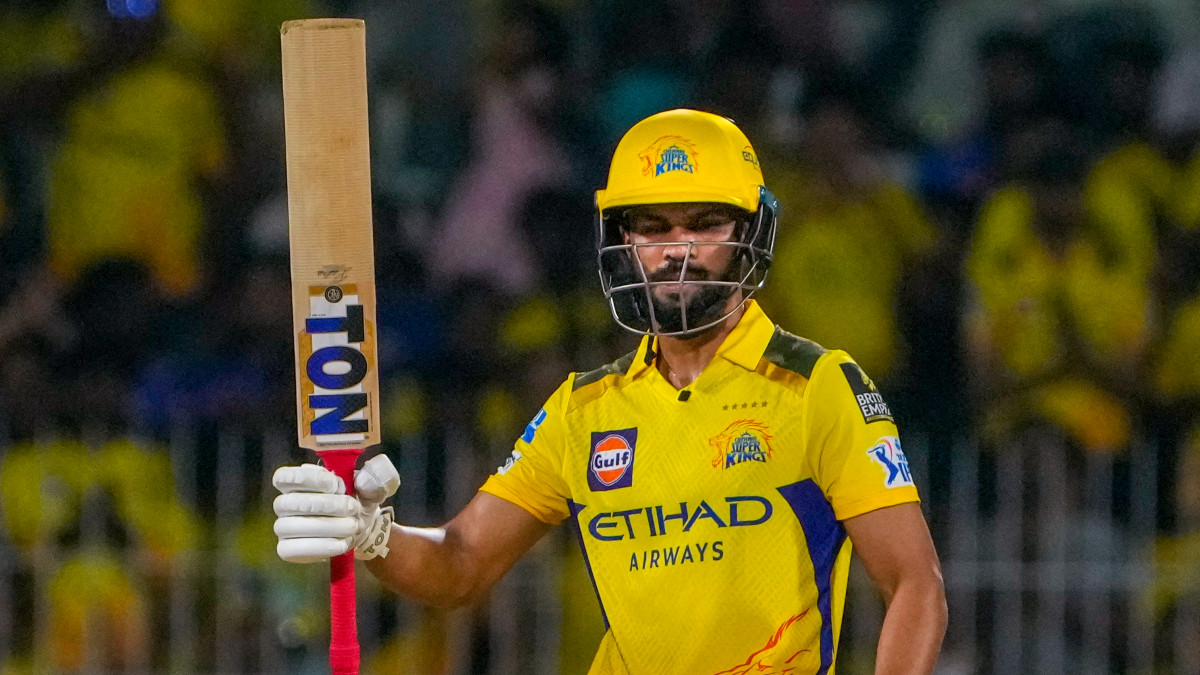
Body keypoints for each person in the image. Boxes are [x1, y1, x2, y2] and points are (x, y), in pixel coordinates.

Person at [272, 109, 947, 674]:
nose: (677, 249)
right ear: (625, 241)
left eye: (704, 223)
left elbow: (915, 584)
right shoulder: (584, 406)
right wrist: (371, 534)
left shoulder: (814, 384)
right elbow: (462, 563)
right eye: (653, 227)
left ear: (748, 234)